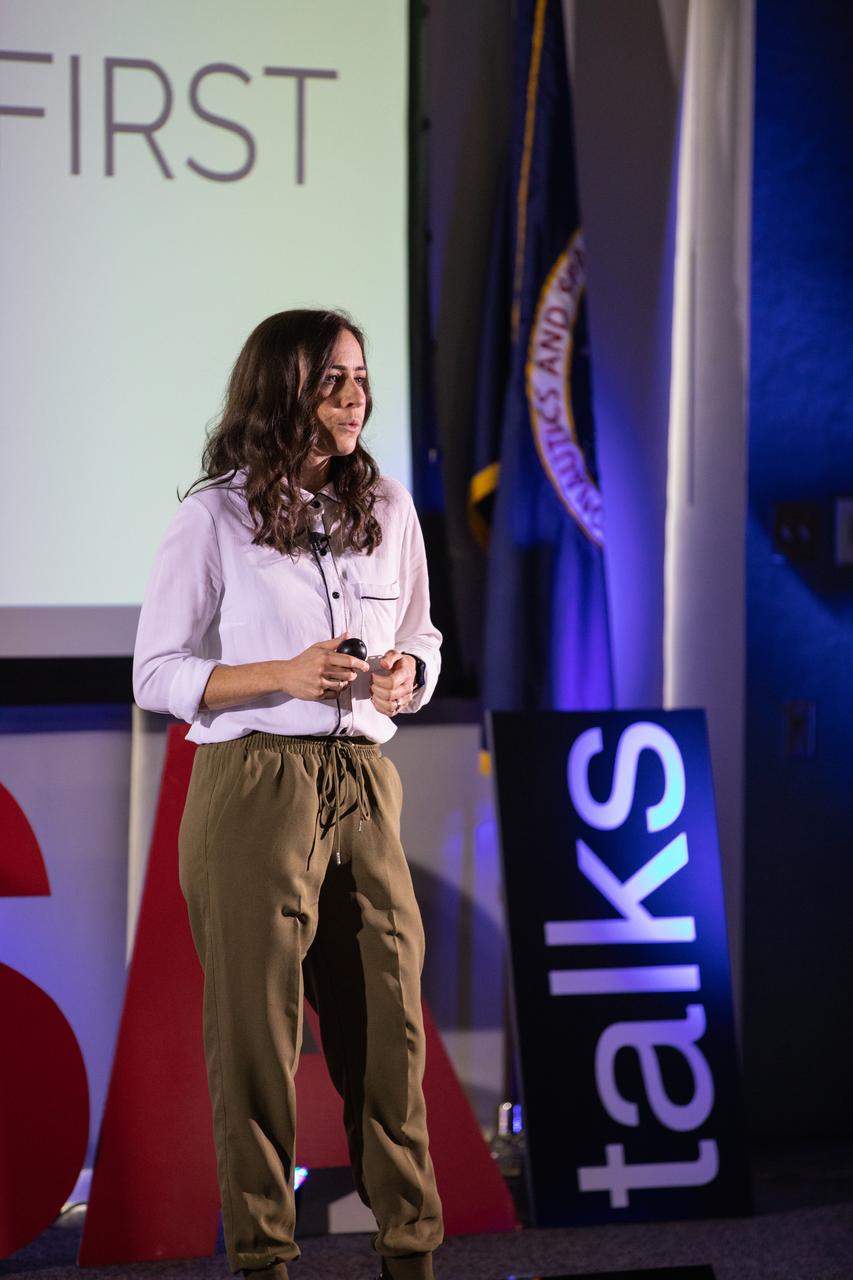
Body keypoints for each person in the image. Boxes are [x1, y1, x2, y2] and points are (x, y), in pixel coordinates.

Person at [133, 309, 444, 1280]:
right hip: (254, 781)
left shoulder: (389, 506)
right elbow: (155, 673)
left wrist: (406, 676)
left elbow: (427, 638)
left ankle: (412, 1255)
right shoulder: (214, 515)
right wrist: (282, 672)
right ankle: (265, 1258)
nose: (356, 398)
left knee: (389, 1034)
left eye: (360, 379)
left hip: (364, 782)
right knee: (258, 1043)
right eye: (332, 381)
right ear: (282, 390)